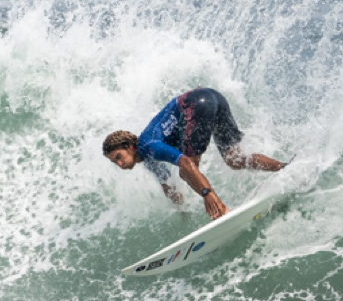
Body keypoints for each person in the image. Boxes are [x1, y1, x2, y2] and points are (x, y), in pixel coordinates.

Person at [103, 87, 286, 219]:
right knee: (234, 159)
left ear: (129, 146)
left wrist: (207, 194)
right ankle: (284, 168)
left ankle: (221, 211)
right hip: (212, 97)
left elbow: (186, 164)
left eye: (119, 156)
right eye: (114, 162)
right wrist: (182, 211)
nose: (120, 164)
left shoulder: (148, 145)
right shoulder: (148, 158)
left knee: (187, 170)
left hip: (195, 105)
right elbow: (168, 185)